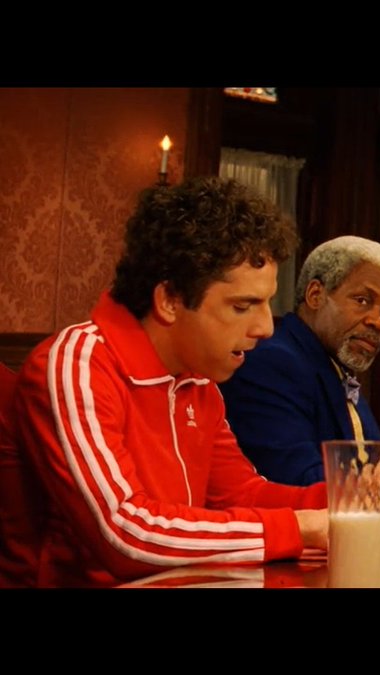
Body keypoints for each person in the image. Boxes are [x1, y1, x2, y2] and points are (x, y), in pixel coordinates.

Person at [0, 177, 329, 588]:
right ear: (170, 300)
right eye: (243, 306)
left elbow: (240, 496)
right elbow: (125, 533)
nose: (265, 327)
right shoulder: (78, 363)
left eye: (266, 304)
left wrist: (351, 503)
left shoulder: (197, 379)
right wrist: (300, 528)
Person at [219, 236, 380, 486]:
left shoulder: (335, 367)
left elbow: (376, 470)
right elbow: (298, 482)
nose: (378, 322)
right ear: (315, 295)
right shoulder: (273, 363)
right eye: (362, 300)